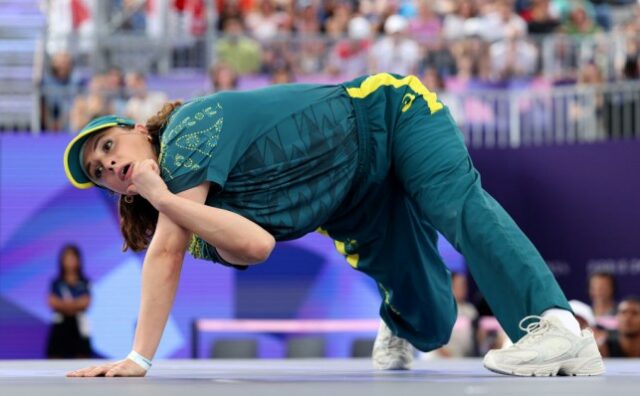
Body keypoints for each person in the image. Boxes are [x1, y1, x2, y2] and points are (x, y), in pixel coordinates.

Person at [62, 72, 604, 377]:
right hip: (351, 204)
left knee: (457, 205)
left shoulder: (186, 128)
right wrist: (165, 202)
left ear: (137, 130)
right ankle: (398, 317)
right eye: (97, 172)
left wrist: (138, 359)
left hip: (388, 119)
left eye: (109, 147)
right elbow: (255, 246)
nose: (108, 165)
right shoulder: (186, 216)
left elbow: (165, 253)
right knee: (433, 324)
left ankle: (556, 327)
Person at [46, 244, 93, 359]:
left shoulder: (84, 282)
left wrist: (64, 305)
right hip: (60, 326)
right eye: (67, 258)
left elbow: (86, 302)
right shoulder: (56, 283)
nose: (70, 261)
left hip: (79, 326)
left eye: (73, 258)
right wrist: (75, 305)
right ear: (61, 261)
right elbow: (52, 302)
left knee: (82, 359)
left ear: (79, 260)